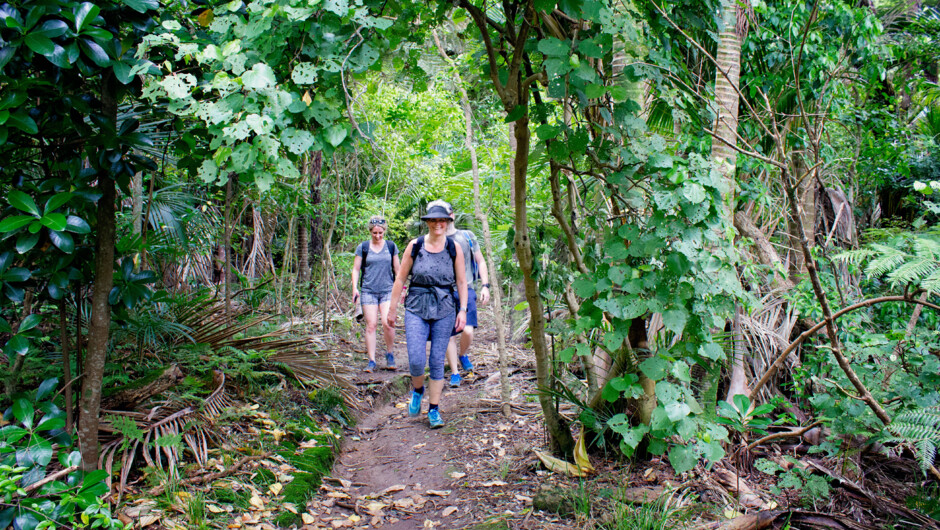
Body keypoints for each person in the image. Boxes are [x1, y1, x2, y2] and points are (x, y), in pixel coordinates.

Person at [387, 203, 468, 429]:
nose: (438, 224)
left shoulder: (454, 248)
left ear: (448, 222)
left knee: (435, 361)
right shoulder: (416, 245)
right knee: (416, 359)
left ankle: (433, 409)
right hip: (416, 305)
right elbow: (401, 278)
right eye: (433, 220)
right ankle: (418, 390)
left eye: (442, 220)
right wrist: (392, 308)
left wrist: (462, 310)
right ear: (428, 223)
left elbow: (461, 281)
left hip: (444, 307)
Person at [426, 200, 490, 388]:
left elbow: (480, 261)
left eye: (444, 215)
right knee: (448, 334)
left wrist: (485, 285)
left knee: (468, 330)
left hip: (466, 289)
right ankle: (454, 372)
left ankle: (462, 354)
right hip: (442, 292)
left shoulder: (466, 236)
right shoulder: (431, 239)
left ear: (451, 215)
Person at [351, 215, 400, 373]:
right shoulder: (363, 247)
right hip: (369, 291)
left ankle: (390, 354)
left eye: (380, 233)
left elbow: (398, 270)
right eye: (374, 233)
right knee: (371, 325)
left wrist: (401, 289)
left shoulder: (391, 246)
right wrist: (355, 289)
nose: (378, 236)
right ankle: (371, 360)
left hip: (387, 290)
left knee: (388, 323)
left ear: (384, 231)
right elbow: (356, 269)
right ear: (370, 232)